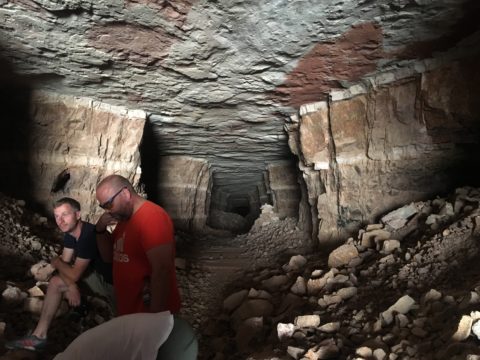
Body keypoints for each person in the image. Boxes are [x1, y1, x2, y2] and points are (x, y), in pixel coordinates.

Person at [95, 174, 197, 359]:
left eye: (108, 204)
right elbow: (108, 257)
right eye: (102, 206)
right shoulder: (125, 221)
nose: (107, 211)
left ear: (125, 193)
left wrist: (153, 321)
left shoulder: (152, 218)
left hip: (148, 315)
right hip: (130, 312)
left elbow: (162, 270)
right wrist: (100, 229)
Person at [6, 197, 114, 352]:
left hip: (114, 286)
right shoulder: (70, 233)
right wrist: (70, 284)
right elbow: (65, 264)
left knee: (60, 277)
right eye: (57, 216)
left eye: (65, 215)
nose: (60, 220)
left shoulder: (88, 235)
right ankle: (38, 337)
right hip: (94, 276)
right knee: (57, 281)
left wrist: (57, 264)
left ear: (78, 215)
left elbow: (68, 269)